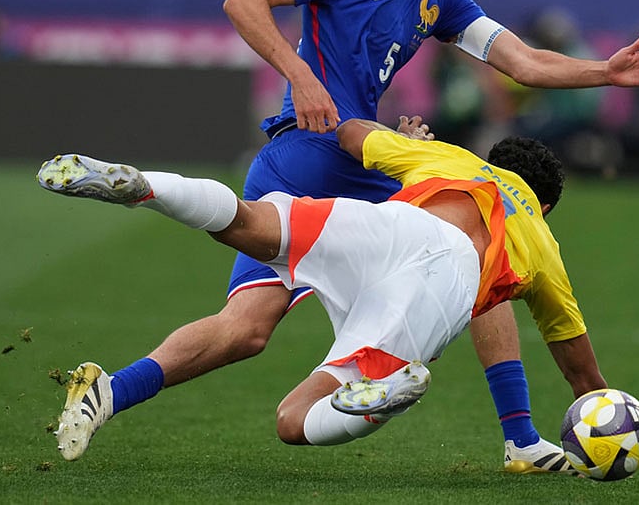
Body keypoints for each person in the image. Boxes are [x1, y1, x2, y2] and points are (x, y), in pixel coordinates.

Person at [45, 0, 639, 471]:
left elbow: (524, 62)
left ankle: (107, 388)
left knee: (246, 329)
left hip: (364, 162)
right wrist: (301, 76)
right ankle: (519, 440)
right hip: (312, 150)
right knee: (489, 256)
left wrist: (605, 72)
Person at [36, 117, 606, 460]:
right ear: (546, 206)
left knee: (250, 224)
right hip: (445, 281)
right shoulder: (544, 246)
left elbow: (354, 134)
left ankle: (148, 187)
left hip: (392, 226)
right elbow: (578, 366)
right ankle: (373, 400)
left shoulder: (450, 160)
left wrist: (394, 139)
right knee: (295, 420)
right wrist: (603, 405)